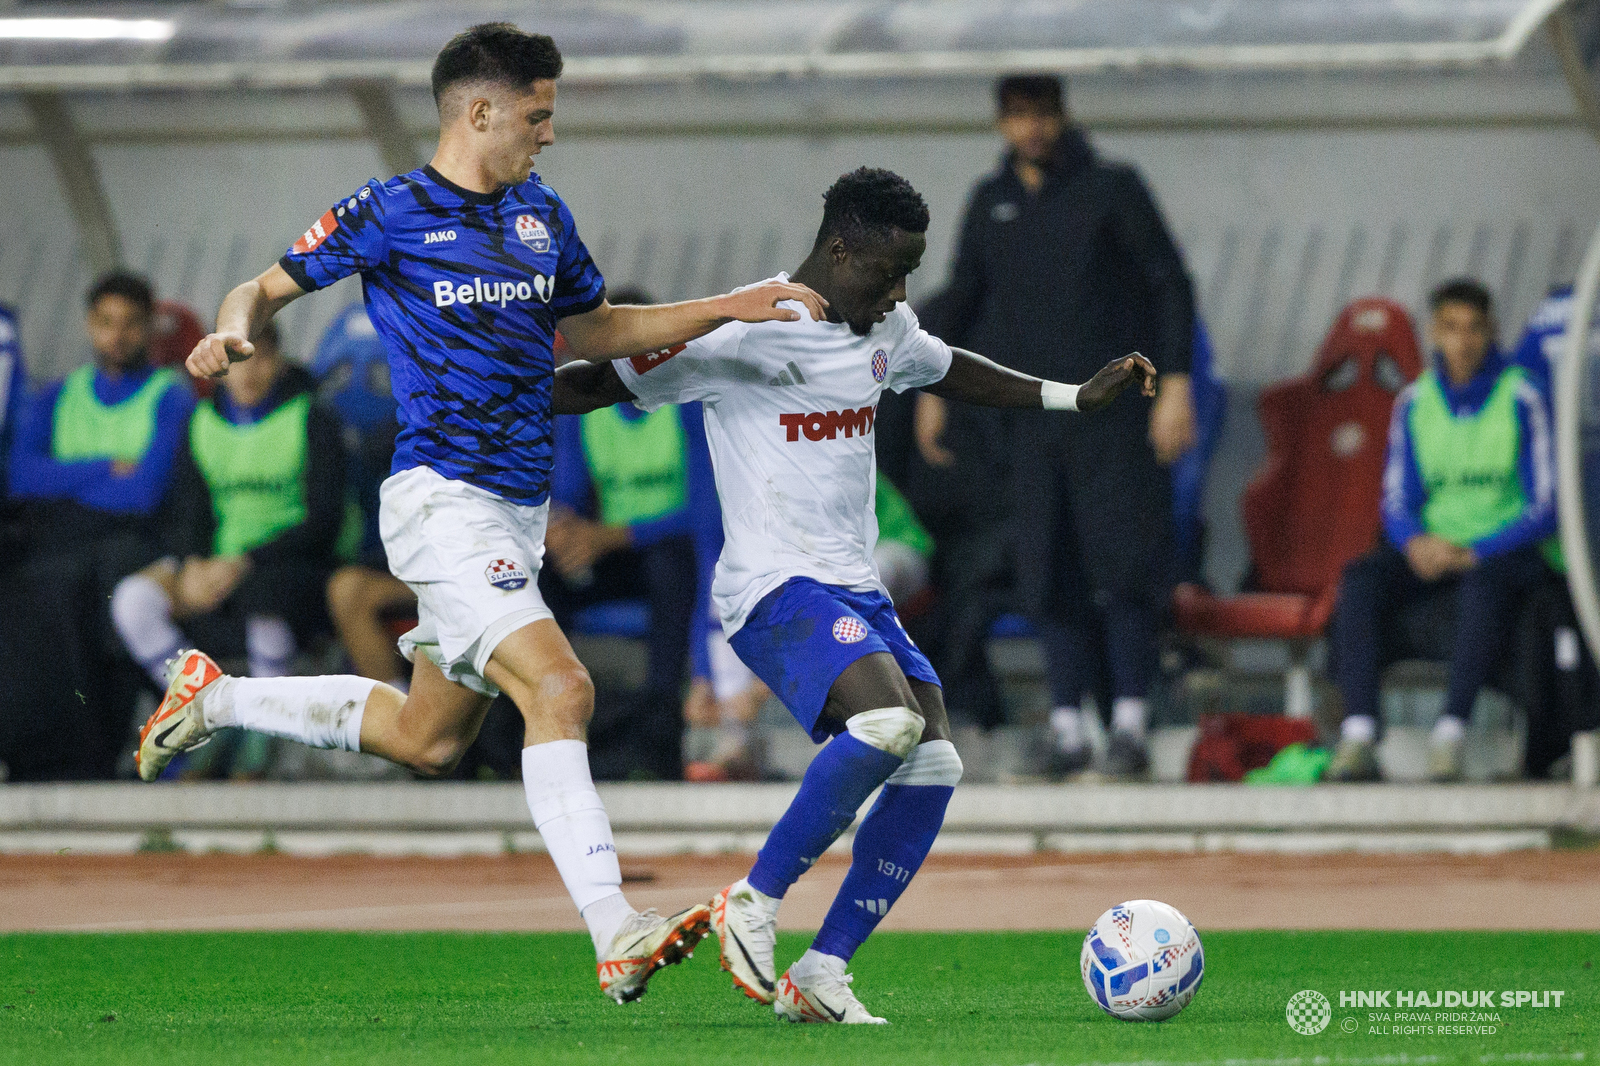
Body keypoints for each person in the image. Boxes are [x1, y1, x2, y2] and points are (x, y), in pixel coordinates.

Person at [135, 22, 826, 1005]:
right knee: (563, 689)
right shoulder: (389, 210)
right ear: (479, 111)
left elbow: (596, 329)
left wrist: (730, 303)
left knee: (428, 738)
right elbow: (265, 285)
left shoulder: (540, 214)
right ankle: (614, 928)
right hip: (439, 501)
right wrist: (231, 332)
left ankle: (213, 698)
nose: (548, 136)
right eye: (537, 117)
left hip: (511, 514)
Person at [554, 167, 1155, 1023]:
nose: (901, 290)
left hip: (853, 586)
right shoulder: (747, 328)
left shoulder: (887, 326)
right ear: (840, 249)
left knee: (934, 759)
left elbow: (950, 369)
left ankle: (822, 972)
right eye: (888, 270)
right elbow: (594, 384)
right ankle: (752, 905)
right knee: (887, 722)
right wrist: (486, 403)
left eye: (911, 271)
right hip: (771, 587)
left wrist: (1071, 396)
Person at [921, 74, 1196, 778]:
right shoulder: (993, 202)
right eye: (1018, 117)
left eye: (1042, 115)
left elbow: (1170, 282)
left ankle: (1130, 726)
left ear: (1063, 117)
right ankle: (1070, 730)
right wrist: (928, 388)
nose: (1032, 129)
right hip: (1034, 420)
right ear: (1001, 124)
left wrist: (1177, 386)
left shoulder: (1112, 188)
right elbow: (961, 293)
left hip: (1115, 419)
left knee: (1124, 568)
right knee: (1048, 572)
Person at [1327, 279, 1557, 782]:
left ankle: (1450, 732)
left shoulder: (1523, 395)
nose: (1463, 341)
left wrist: (1480, 549)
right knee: (1361, 580)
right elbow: (1396, 497)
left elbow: (1547, 504)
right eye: (1451, 328)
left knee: (1485, 586)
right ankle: (1360, 731)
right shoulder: (1415, 401)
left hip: (1501, 549)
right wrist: (1414, 542)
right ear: (1435, 332)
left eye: (1475, 328)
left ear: (1491, 330)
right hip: (1434, 547)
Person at [108, 322, 345, 776]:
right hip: (218, 561)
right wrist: (193, 562)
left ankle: (264, 733)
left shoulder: (312, 417)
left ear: (277, 360)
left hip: (288, 559)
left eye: (259, 360)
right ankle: (205, 712)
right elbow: (188, 509)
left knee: (264, 600)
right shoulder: (202, 421)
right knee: (132, 600)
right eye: (235, 364)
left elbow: (324, 521)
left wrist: (244, 562)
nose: (248, 374)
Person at [8, 271, 197, 775]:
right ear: (90, 325)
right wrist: (104, 464)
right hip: (60, 540)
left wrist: (65, 477)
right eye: (106, 322)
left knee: (95, 587)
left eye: (131, 324)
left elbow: (141, 493)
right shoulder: (58, 394)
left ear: (149, 328)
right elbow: (18, 476)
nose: (118, 335)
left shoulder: (169, 395)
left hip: (131, 539)